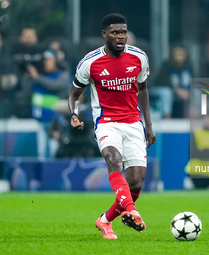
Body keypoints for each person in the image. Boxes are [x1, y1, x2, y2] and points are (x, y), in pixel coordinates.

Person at [68, 13, 156, 239]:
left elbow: (143, 90)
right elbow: (74, 93)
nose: (120, 37)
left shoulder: (139, 57)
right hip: (106, 122)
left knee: (135, 183)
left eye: (123, 32)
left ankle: (105, 221)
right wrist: (74, 114)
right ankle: (133, 211)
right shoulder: (90, 62)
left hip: (133, 122)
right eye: (115, 32)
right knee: (113, 159)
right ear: (104, 34)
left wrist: (149, 125)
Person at [27, 49, 70, 158]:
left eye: (49, 60)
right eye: (45, 60)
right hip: (40, 119)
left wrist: (37, 77)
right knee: (41, 151)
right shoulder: (40, 76)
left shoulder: (61, 76)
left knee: (53, 150)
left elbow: (54, 86)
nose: (46, 63)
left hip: (55, 121)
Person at [151, 46, 193, 118]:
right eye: (177, 54)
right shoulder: (166, 65)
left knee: (196, 92)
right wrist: (177, 90)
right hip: (163, 89)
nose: (179, 57)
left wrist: (188, 90)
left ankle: (194, 115)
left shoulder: (189, 66)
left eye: (181, 54)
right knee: (167, 92)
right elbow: (162, 81)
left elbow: (193, 80)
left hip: (183, 92)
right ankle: (167, 116)